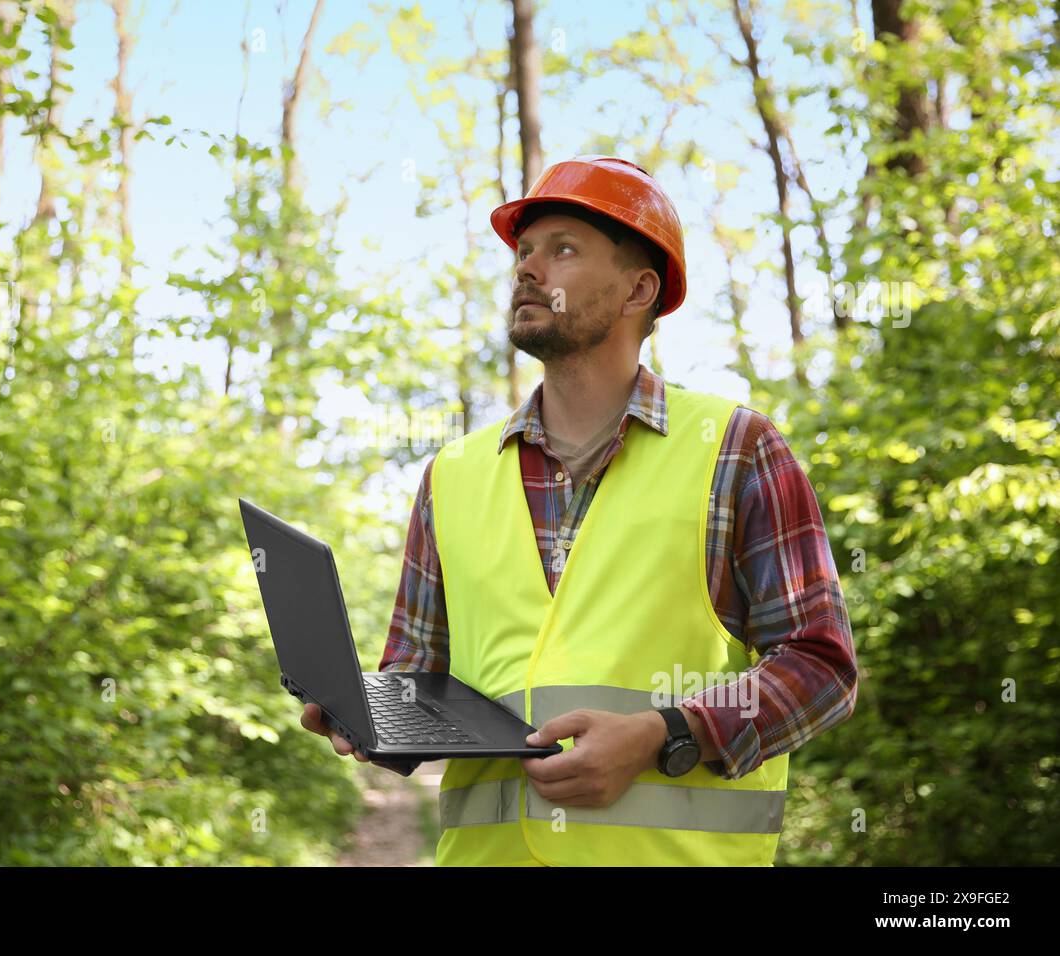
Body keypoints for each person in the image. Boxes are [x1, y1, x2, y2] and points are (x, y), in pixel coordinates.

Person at [302, 155, 857, 866]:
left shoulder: (737, 450)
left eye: (562, 249)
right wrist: (366, 714)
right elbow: (419, 676)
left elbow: (821, 666)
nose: (527, 270)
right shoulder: (453, 475)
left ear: (638, 290)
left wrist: (668, 732)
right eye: (524, 252)